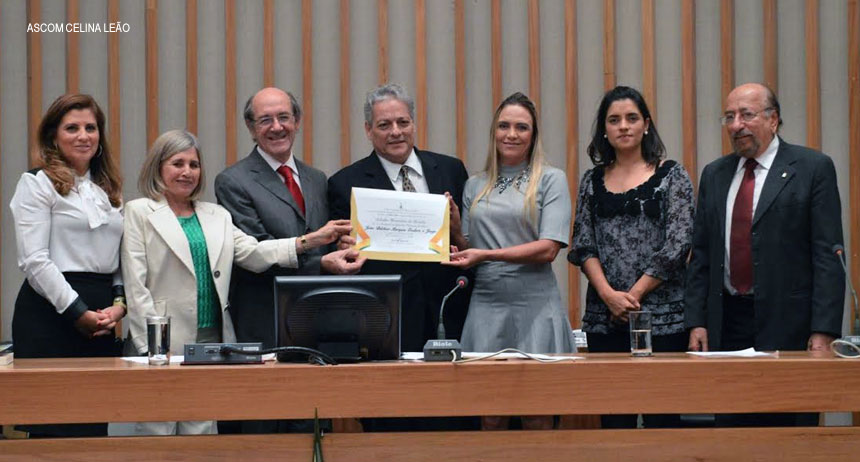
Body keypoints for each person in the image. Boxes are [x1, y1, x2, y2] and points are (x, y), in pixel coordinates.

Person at [122, 130, 362, 436]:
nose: (187, 172)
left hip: (211, 343)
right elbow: (136, 286)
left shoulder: (216, 215)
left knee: (202, 432)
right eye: (177, 163)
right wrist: (153, 348)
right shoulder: (139, 211)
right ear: (158, 167)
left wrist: (310, 240)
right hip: (163, 344)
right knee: (158, 432)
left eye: (194, 165)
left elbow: (254, 253)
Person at [684, 83, 844, 427]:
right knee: (733, 430)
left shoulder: (812, 168)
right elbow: (702, 254)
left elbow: (828, 256)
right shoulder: (715, 174)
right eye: (729, 117)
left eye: (746, 115)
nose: (736, 125)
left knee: (790, 430)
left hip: (790, 326)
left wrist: (823, 330)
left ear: (773, 119)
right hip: (728, 324)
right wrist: (697, 320)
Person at [328, 83, 476, 433]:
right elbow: (341, 257)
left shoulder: (451, 170)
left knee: (456, 423)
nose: (395, 132)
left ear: (414, 123)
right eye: (384, 125)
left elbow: (468, 242)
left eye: (403, 122)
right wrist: (345, 248)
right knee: (392, 425)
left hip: (448, 314)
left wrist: (458, 232)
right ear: (368, 130)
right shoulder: (345, 183)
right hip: (386, 322)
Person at [444, 92, 574, 430]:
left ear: (534, 134)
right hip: (486, 304)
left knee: (537, 412)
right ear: (494, 132)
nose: (511, 134)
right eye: (504, 126)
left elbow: (549, 248)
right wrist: (455, 230)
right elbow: (469, 250)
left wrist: (487, 254)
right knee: (490, 413)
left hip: (536, 304)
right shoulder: (475, 184)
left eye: (521, 127)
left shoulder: (551, 179)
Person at [568, 86, 694, 429]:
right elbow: (583, 244)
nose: (623, 126)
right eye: (614, 120)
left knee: (662, 418)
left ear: (646, 125)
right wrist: (608, 295)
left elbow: (679, 244)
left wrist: (633, 296)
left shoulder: (672, 175)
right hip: (604, 317)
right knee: (614, 418)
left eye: (631, 118)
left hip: (663, 317)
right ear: (604, 129)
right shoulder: (591, 180)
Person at [10, 94, 126, 437]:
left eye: (91, 128)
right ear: (53, 136)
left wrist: (120, 305)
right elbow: (34, 260)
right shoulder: (36, 183)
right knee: (52, 430)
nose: (83, 136)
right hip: (50, 314)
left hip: (101, 316)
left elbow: (118, 257)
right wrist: (77, 312)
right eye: (72, 128)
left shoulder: (109, 191)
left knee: (92, 427)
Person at [215, 88, 341, 351]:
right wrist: (322, 264)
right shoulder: (233, 181)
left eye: (284, 117)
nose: (277, 127)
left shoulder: (317, 178)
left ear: (297, 121)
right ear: (251, 127)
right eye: (265, 120)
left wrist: (341, 247)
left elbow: (325, 242)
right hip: (265, 319)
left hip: (319, 315)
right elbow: (257, 252)